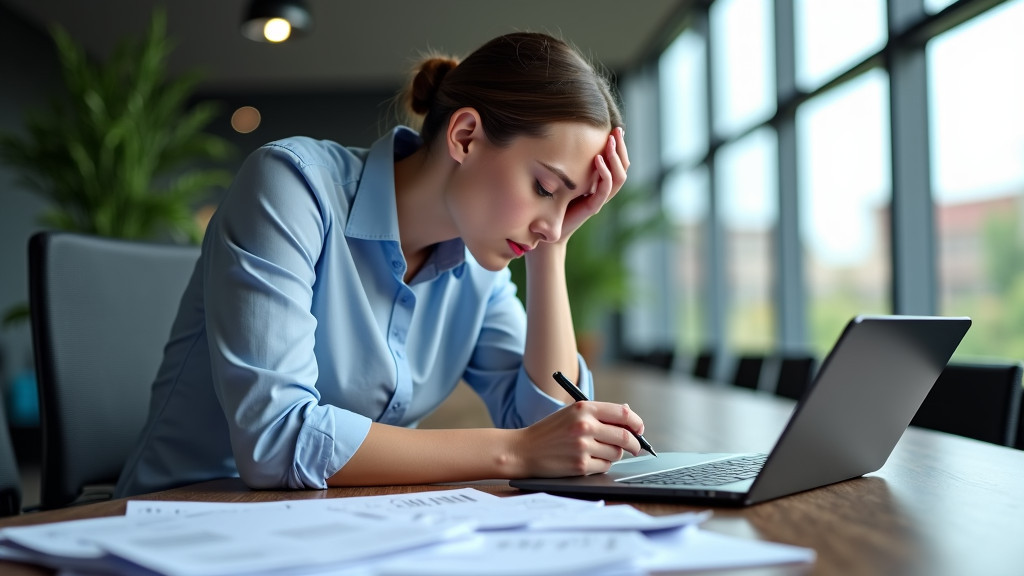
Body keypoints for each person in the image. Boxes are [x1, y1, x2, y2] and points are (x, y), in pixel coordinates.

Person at [115, 31, 642, 497]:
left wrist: (553, 251)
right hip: (184, 520)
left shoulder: (483, 267)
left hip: (339, 528)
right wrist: (514, 452)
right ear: (464, 136)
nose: (552, 220)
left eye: (569, 204)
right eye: (545, 188)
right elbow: (276, 441)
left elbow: (554, 433)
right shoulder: (292, 188)